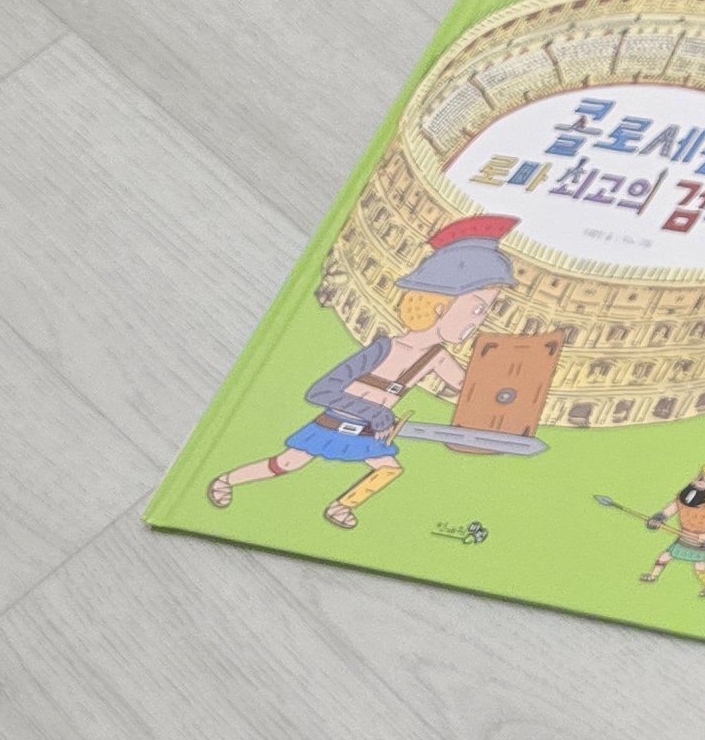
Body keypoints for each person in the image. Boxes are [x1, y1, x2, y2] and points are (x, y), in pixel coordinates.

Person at [207, 215, 520, 531]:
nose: (479, 321)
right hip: (335, 423)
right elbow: (320, 391)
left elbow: (469, 388)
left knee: (389, 468)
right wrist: (376, 413)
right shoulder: (384, 349)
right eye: (477, 308)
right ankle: (227, 479)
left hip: (369, 431)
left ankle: (340, 506)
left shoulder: (436, 357)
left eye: (485, 311)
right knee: (287, 463)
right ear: (440, 305)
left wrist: (508, 394)